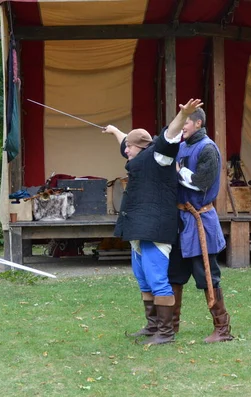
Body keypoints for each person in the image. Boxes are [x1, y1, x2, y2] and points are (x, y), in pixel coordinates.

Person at [102, 98, 203, 345]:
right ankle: (153, 326)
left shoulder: (160, 155)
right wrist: (115, 131)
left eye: (129, 147)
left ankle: (166, 333)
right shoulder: (139, 156)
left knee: (158, 279)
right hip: (139, 228)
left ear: (142, 146)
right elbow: (129, 141)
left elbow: (170, 134)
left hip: (155, 228)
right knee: (144, 278)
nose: (125, 150)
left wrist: (184, 115)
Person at [171, 107, 234, 343]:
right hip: (179, 222)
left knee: (207, 276)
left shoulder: (208, 148)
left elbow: (202, 184)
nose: (181, 126)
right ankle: (169, 328)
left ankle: (222, 330)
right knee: (173, 276)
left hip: (199, 222)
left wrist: (179, 172)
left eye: (185, 122)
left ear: (198, 123)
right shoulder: (180, 146)